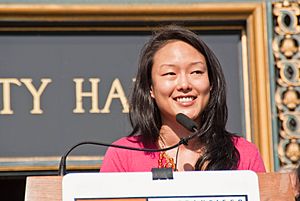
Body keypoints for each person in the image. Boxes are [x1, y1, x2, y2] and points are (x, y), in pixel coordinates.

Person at [100, 25, 266, 172]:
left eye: (196, 72)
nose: (184, 84)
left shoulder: (243, 154)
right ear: (150, 88)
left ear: (211, 83)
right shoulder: (123, 156)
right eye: (170, 73)